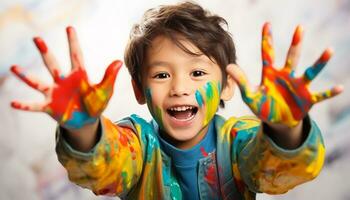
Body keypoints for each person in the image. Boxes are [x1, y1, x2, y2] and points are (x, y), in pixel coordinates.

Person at [10, 2, 343, 200]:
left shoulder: (240, 141)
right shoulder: (137, 145)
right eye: (161, 75)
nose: (180, 88)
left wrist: (286, 127)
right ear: (139, 90)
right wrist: (82, 128)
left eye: (197, 73)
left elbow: (280, 169)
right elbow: (102, 166)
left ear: (227, 87)